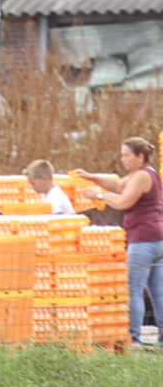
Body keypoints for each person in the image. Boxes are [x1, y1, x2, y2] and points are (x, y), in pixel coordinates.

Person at [74, 137, 163, 347]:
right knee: (158, 291)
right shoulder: (144, 174)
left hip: (143, 240)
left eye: (126, 155)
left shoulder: (141, 176)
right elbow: (117, 185)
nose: (123, 159)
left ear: (140, 156)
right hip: (157, 239)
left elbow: (123, 202)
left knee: (134, 290)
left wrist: (98, 195)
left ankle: (134, 339)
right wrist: (92, 177)